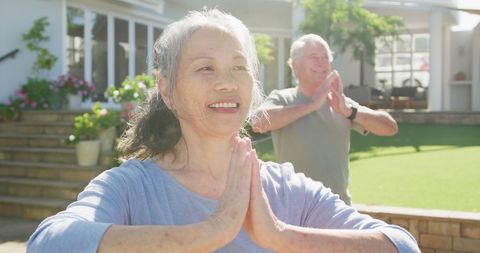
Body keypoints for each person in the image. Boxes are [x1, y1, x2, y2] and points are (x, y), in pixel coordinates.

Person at [27, 9, 419, 253]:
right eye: (205, 68)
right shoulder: (131, 188)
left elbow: (402, 245)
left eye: (238, 67)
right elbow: (48, 244)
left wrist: (279, 236)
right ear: (167, 89)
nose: (227, 83)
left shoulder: (285, 189)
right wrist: (210, 232)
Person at [252, 34, 398, 205]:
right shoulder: (282, 98)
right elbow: (258, 122)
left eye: (325, 58)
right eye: (314, 57)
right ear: (295, 66)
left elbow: (390, 127)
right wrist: (311, 106)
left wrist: (350, 111)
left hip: (337, 206)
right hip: (294, 207)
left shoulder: (340, 102)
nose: (321, 63)